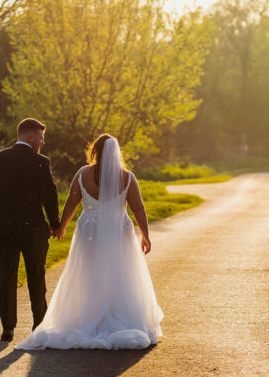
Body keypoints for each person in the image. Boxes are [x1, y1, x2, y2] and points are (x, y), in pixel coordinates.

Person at [15, 134, 162, 350]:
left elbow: (72, 201)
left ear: (96, 151)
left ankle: (89, 314)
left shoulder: (83, 173)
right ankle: (115, 313)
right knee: (119, 272)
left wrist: (62, 226)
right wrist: (145, 235)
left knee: (88, 271)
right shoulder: (127, 177)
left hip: (89, 229)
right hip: (117, 229)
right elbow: (138, 208)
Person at [0, 118, 62, 342]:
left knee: (6, 276)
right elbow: (49, 195)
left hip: (4, 228)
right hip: (33, 229)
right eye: (41, 137)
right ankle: (39, 325)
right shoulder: (40, 161)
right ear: (30, 137)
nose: (42, 142)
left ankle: (8, 328)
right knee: (36, 275)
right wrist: (55, 223)